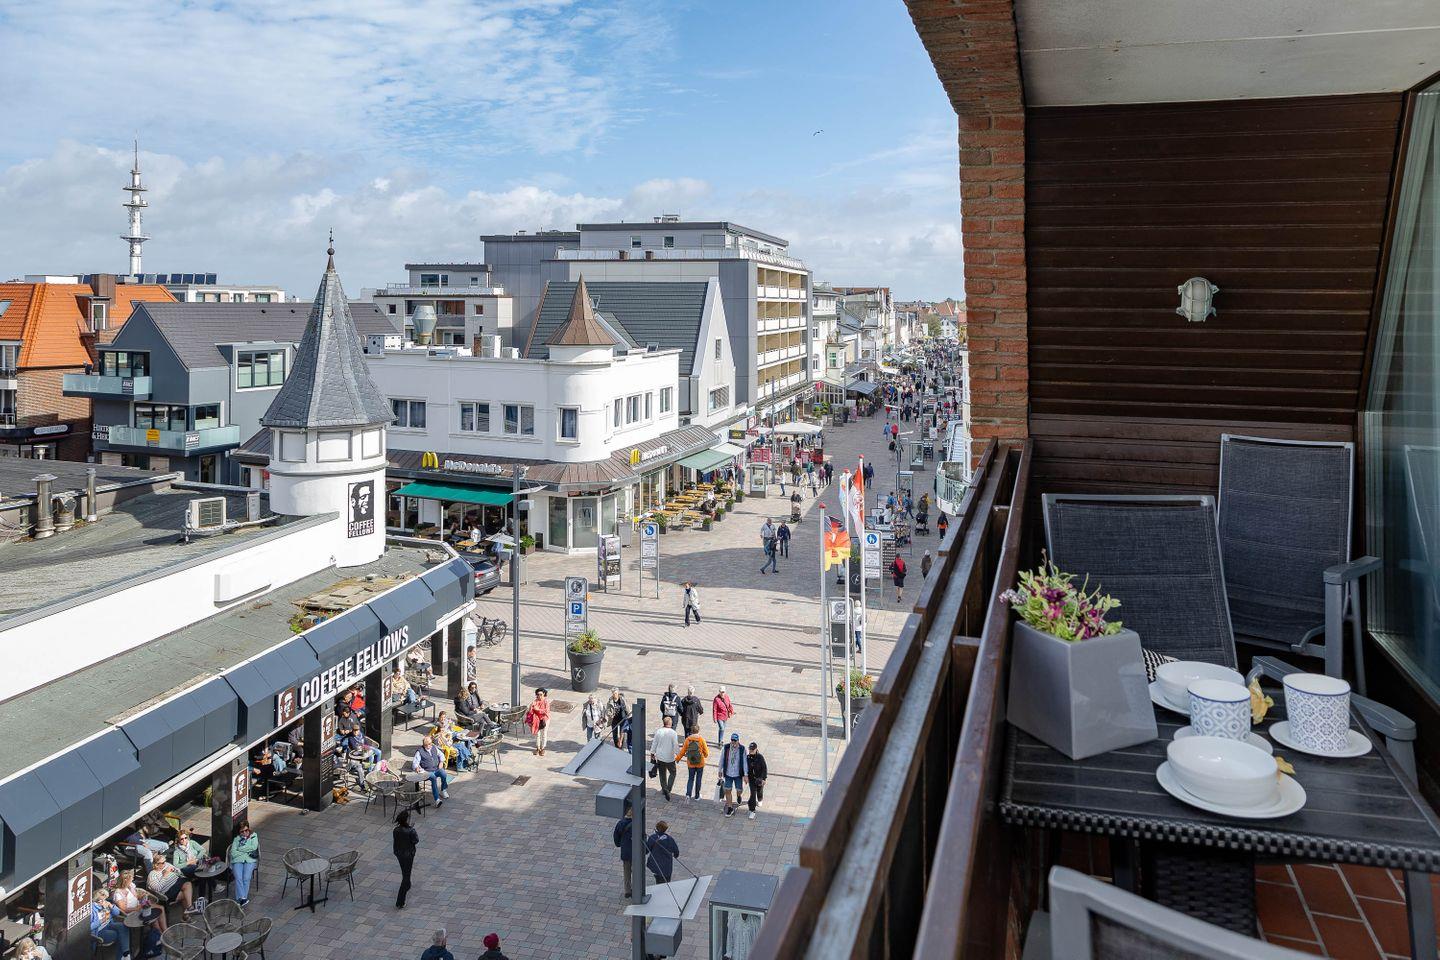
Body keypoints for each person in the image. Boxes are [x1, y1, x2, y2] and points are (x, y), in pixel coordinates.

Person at [112, 868, 166, 938]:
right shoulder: (118, 893)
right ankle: (161, 933)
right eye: (131, 879)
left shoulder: (130, 886)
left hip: (139, 906)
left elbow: (136, 897)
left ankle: (164, 931)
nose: (132, 880)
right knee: (154, 916)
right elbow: (124, 909)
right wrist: (137, 908)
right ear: (125, 880)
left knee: (160, 908)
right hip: (132, 912)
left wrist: (142, 897)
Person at [225, 822, 259, 907]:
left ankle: (240, 899)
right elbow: (233, 853)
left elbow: (254, 847)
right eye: (242, 831)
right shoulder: (236, 839)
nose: (244, 833)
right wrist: (246, 851)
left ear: (249, 829)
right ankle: (243, 898)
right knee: (238, 878)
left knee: (246, 878)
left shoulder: (254, 836)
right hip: (237, 860)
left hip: (249, 860)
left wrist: (240, 849)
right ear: (239, 832)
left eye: (246, 830)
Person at [89, 890, 128, 960]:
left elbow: (117, 913)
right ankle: (122, 957)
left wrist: (111, 906)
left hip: (109, 924)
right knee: (118, 935)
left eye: (105, 899)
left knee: (122, 926)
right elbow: (89, 927)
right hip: (99, 931)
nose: (104, 901)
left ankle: (126, 953)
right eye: (102, 900)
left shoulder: (106, 904)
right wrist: (101, 921)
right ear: (98, 900)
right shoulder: (92, 910)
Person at [412, 736, 450, 807]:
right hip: (426, 772)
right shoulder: (419, 751)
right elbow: (415, 762)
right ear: (424, 744)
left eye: (430, 744)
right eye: (426, 745)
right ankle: (437, 800)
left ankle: (443, 790)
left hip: (436, 769)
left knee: (443, 773)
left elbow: (441, 754)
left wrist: (441, 762)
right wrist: (416, 767)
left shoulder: (434, 748)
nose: (429, 746)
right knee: (433, 778)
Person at [718, 732, 749, 817]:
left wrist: (746, 775)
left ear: (738, 740)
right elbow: (722, 759)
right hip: (728, 773)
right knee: (727, 790)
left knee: (739, 790)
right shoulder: (726, 747)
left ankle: (739, 796)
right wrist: (720, 770)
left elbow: (745, 762)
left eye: (735, 740)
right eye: (732, 740)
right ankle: (730, 807)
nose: (733, 742)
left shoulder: (742, 749)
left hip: (738, 774)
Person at [394, 810, 419, 909]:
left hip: (399, 854)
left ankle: (407, 884)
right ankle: (400, 901)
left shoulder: (396, 830)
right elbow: (415, 840)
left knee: (404, 871)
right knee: (406, 876)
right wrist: (411, 829)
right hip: (408, 855)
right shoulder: (411, 831)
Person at [650, 716, 680, 801]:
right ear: (670, 723)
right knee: (673, 773)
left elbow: (654, 743)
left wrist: (652, 753)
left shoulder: (658, 731)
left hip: (660, 756)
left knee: (662, 774)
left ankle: (664, 789)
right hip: (670, 757)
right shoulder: (673, 733)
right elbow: (675, 746)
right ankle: (668, 788)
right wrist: (678, 755)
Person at [677, 726, 709, 800]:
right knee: (698, 779)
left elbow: (682, 751)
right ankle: (697, 796)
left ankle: (688, 794)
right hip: (700, 763)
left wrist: (678, 758)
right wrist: (704, 755)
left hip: (690, 763)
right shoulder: (701, 739)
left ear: (691, 731)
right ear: (698, 731)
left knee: (690, 779)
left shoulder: (687, 739)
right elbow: (706, 753)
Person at [613, 807, 634, 898]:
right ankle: (637, 888)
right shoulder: (637, 823)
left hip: (625, 851)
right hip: (636, 851)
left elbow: (616, 836)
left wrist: (619, 844)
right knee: (636, 870)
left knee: (627, 871)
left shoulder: (620, 823)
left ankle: (627, 891)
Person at [524, 687, 551, 756]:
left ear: (544, 694)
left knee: (544, 734)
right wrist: (531, 707)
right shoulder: (535, 701)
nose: (539, 696)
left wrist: (538, 709)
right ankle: (538, 748)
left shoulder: (546, 702)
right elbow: (530, 711)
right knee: (537, 734)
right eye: (538, 694)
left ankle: (543, 748)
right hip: (536, 720)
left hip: (544, 720)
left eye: (541, 694)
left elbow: (546, 711)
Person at [746, 741, 769, 820]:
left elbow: (764, 768)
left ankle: (760, 799)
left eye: (753, 749)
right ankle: (752, 811)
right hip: (751, 779)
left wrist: (764, 778)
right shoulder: (747, 758)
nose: (751, 751)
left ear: (756, 749)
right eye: (750, 749)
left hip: (759, 778)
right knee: (753, 794)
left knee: (759, 791)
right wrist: (745, 776)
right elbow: (745, 768)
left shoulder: (760, 757)